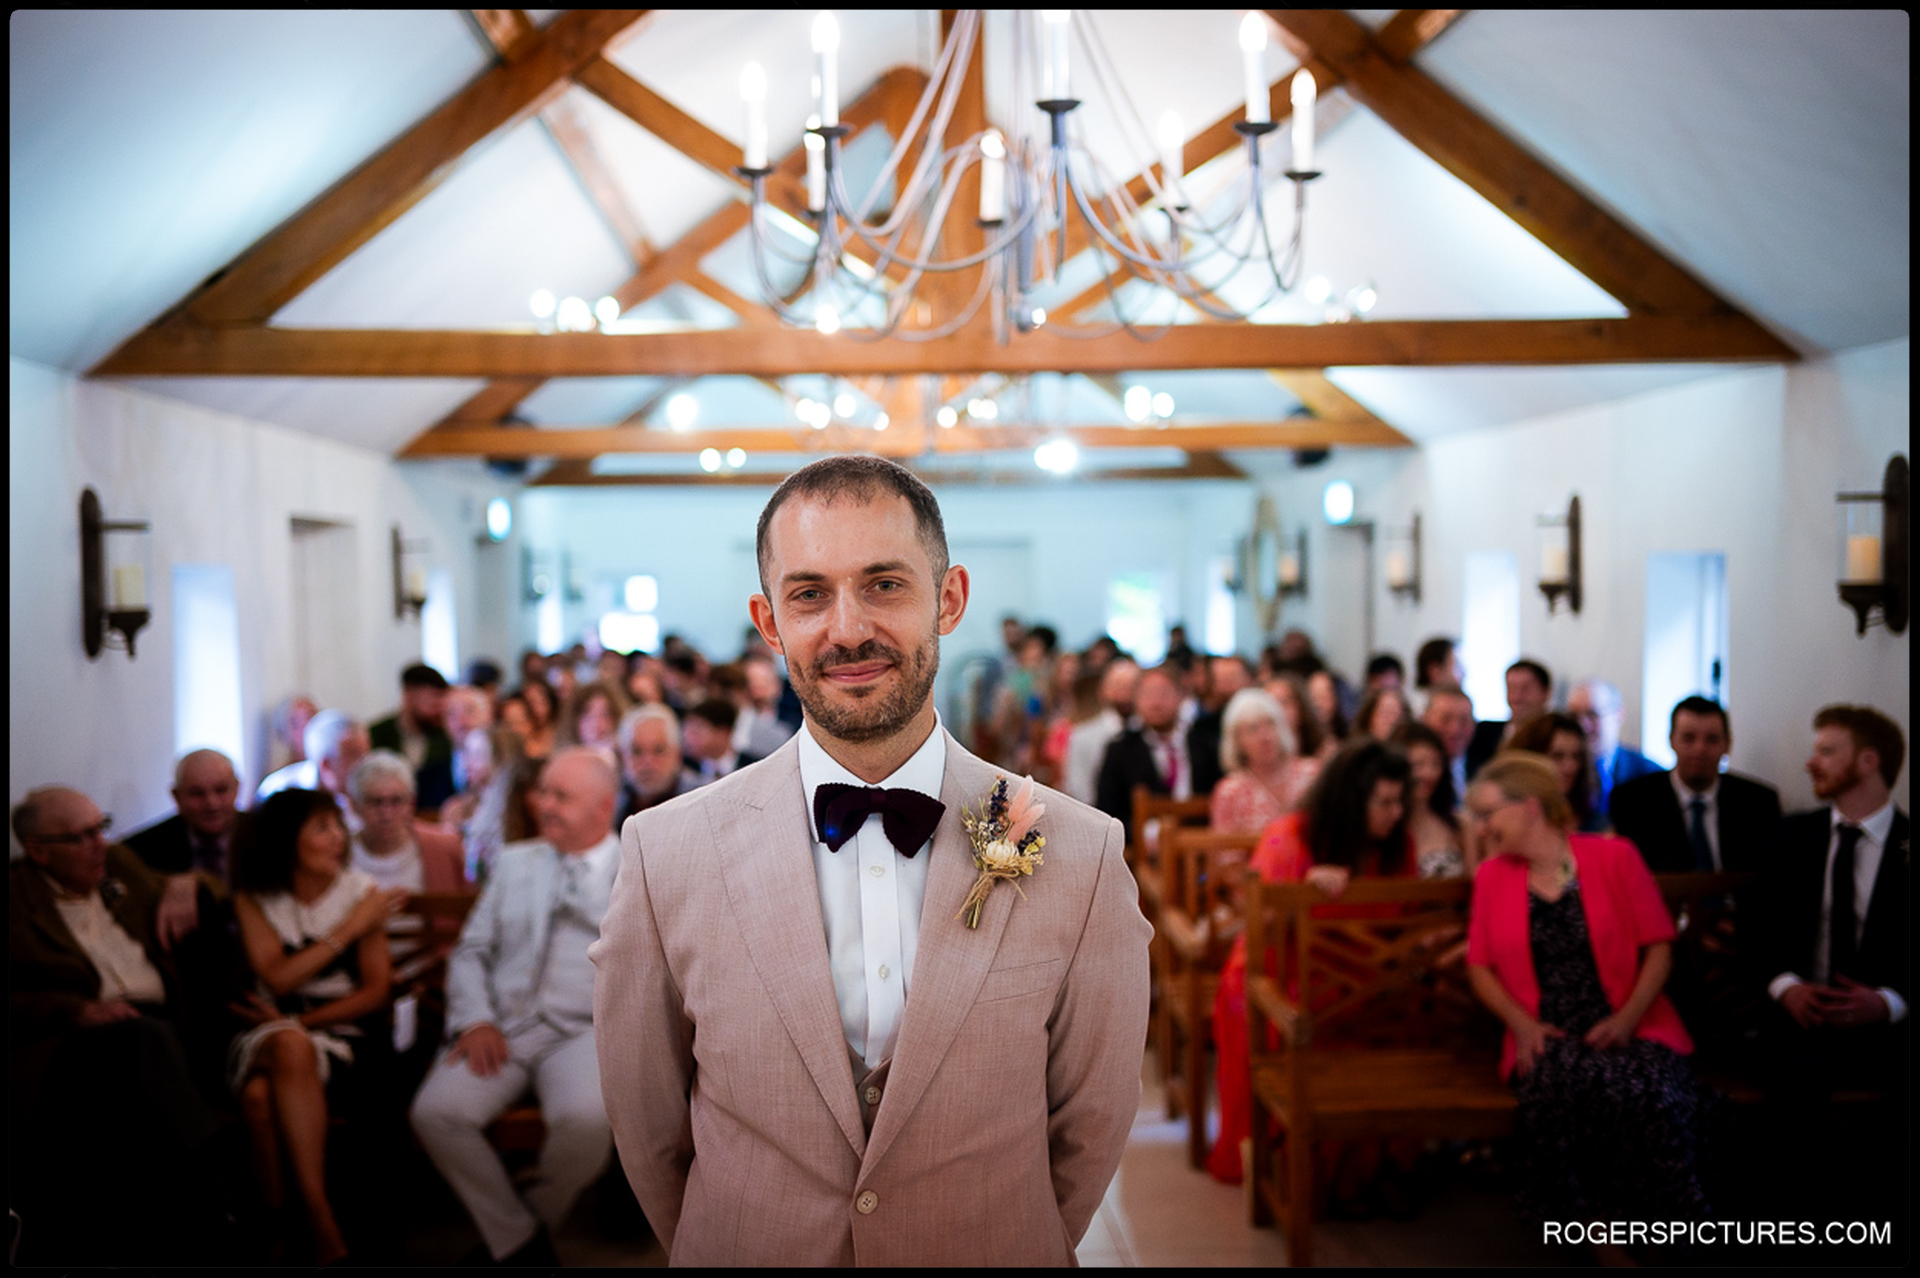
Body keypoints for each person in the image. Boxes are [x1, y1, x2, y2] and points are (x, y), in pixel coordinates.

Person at [592, 455, 1150, 1265]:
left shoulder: (1081, 852)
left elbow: (1092, 1119)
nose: (848, 628)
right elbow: (647, 1126)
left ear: (948, 599)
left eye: (885, 584)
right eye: (810, 593)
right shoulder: (664, 852)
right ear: (769, 620)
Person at [1463, 754, 1709, 1229]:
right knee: (1567, 1093)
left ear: (1530, 806)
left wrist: (1627, 1020)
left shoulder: (1614, 857)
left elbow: (1658, 947)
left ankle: (1674, 1233)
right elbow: (1480, 968)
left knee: (1650, 1096)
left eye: (1489, 813)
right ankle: (1602, 1241)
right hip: (1547, 1034)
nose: (1481, 827)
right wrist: (1522, 1025)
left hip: (1629, 1024)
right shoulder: (1494, 877)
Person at [410, 749, 622, 1267]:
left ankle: (524, 1226)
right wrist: (475, 1018)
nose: (542, 804)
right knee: (436, 1113)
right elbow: (471, 951)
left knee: (589, 1119)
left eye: (560, 796)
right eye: (542, 791)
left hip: (584, 1031)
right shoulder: (515, 861)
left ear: (603, 807)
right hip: (502, 1025)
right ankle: (522, 1243)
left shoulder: (637, 868)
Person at [8, 787, 232, 1265]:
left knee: (159, 1048)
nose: (100, 845)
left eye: (100, 827)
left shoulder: (119, 868)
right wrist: (72, 1008)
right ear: (38, 849)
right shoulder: (16, 901)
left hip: (157, 1031)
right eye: (81, 836)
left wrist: (186, 882)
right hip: (73, 1045)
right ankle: (213, 1183)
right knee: (141, 1041)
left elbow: (216, 888)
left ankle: (188, 1224)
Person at [1208, 740, 1416, 1185]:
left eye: (1401, 801)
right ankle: (1283, 1164)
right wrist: (1302, 889)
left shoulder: (1398, 844)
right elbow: (1257, 925)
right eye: (1384, 802)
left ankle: (1369, 1165)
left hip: (1361, 978)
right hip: (1280, 973)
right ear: (1351, 801)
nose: (1396, 813)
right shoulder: (1292, 837)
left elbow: (1408, 922)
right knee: (1278, 1013)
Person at [230, 788, 404, 1266]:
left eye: (337, 826)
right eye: (322, 828)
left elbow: (375, 990)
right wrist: (350, 928)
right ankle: (321, 1219)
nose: (338, 839)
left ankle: (280, 1231)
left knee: (259, 1097)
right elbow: (278, 976)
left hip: (335, 1029)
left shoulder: (358, 890)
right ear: (288, 840)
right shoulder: (256, 899)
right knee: (286, 1047)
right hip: (265, 1031)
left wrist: (298, 1022)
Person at [1753, 707, 1907, 1214]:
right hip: (1801, 1017)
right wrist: (1786, 986)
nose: (1809, 763)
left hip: (1890, 1027)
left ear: (1868, 761)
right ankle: (1797, 1225)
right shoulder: (1792, 835)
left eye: (1825, 751)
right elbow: (1756, 931)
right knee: (1794, 1088)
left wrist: (1888, 1003)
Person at [1609, 696, 1780, 872]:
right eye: (1688, 738)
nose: (1700, 749)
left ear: (1727, 744)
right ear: (1671, 741)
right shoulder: (1633, 801)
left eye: (1711, 739)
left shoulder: (1759, 803)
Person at [345, 751, 467, 895]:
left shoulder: (445, 847)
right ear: (355, 805)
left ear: (411, 803)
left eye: (396, 801)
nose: (386, 814)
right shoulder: (340, 853)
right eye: (375, 802)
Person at [1208, 687, 1317, 835]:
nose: (1265, 736)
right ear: (1237, 741)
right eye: (1253, 729)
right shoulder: (1230, 792)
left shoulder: (1312, 774)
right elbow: (1226, 854)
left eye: (1270, 724)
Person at [1094, 663, 1192, 822]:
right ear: (1136, 700)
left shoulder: (1203, 745)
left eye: (1164, 694)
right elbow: (1107, 811)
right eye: (1148, 694)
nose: (1156, 703)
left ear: (1181, 696)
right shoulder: (1120, 749)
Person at [369, 663, 456, 814]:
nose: (439, 711)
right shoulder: (376, 735)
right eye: (433, 702)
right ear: (408, 694)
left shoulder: (446, 737)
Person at [1566, 677, 1658, 821]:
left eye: (1592, 715)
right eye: (1573, 716)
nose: (1582, 725)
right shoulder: (1557, 772)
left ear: (1619, 714)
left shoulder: (1650, 775)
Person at [1506, 712, 1606, 833]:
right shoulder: (1506, 817)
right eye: (1557, 756)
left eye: (1576, 756)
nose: (1570, 767)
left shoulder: (1596, 822)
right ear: (1530, 759)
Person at [1062, 656, 1136, 807]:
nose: (1125, 693)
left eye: (1132, 686)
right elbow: (1078, 790)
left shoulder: (1150, 736)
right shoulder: (1082, 736)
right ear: (1103, 691)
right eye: (1118, 685)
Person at [1395, 722, 1467, 877]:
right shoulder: (1384, 826)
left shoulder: (1460, 825)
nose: (1429, 774)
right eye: (1418, 764)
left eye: (1435, 764)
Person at [613, 703, 700, 829]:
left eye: (658, 750)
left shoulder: (700, 800)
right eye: (636, 751)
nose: (647, 762)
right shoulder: (612, 806)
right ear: (622, 756)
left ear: (677, 754)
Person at [1466, 658, 1552, 778]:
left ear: (1545, 692)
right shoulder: (1484, 733)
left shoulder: (1556, 737)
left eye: (1525, 689)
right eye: (1511, 688)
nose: (1516, 697)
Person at [1421, 686, 1477, 811]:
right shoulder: (1414, 772)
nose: (1455, 730)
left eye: (1464, 721)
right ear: (1425, 720)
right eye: (1445, 719)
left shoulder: (1484, 764)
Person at [681, 696, 760, 782]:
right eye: (688, 730)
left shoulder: (753, 767)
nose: (690, 738)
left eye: (697, 731)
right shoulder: (684, 768)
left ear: (723, 733)